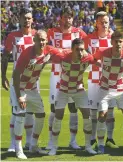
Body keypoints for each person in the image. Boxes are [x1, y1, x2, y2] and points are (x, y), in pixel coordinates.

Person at [83, 31, 123, 154]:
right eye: (116, 41)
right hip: (104, 88)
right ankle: (100, 145)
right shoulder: (104, 52)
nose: (118, 44)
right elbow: (91, 58)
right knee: (102, 116)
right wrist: (97, 63)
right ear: (111, 42)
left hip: (120, 89)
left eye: (120, 41)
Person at [46, 6, 87, 150]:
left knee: (73, 107)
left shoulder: (79, 33)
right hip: (56, 75)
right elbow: (46, 49)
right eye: (65, 16)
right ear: (60, 18)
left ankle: (73, 141)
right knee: (53, 108)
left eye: (70, 17)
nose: (67, 19)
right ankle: (51, 141)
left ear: (73, 18)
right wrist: (60, 53)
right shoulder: (52, 32)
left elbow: (86, 50)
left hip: (73, 75)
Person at [48, 38, 97, 156]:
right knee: (58, 116)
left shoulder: (88, 57)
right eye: (77, 50)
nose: (80, 52)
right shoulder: (62, 56)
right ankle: (54, 147)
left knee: (88, 116)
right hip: (63, 90)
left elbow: (99, 60)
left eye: (82, 50)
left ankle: (88, 146)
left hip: (78, 90)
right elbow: (47, 52)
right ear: (72, 49)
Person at [1, 8, 36, 152]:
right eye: (24, 18)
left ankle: (28, 142)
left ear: (32, 20)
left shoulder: (36, 36)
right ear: (19, 19)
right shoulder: (12, 36)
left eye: (29, 18)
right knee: (17, 111)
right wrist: (3, 76)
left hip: (33, 80)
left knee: (30, 112)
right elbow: (5, 57)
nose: (26, 20)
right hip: (18, 80)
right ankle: (12, 144)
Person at [11, 30, 50, 159]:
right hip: (19, 87)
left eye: (44, 39)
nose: (42, 42)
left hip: (32, 88)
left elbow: (63, 54)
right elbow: (16, 75)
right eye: (39, 39)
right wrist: (19, 96)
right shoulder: (27, 53)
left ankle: (33, 145)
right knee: (21, 115)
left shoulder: (48, 51)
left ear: (47, 40)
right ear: (34, 40)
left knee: (40, 114)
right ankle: (18, 149)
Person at [84, 11, 117, 149]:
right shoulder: (89, 38)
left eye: (106, 22)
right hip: (94, 79)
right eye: (101, 22)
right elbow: (84, 54)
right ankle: (93, 139)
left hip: (110, 80)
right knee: (93, 111)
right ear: (96, 24)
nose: (104, 25)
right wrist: (95, 61)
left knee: (110, 110)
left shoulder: (114, 38)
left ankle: (110, 138)